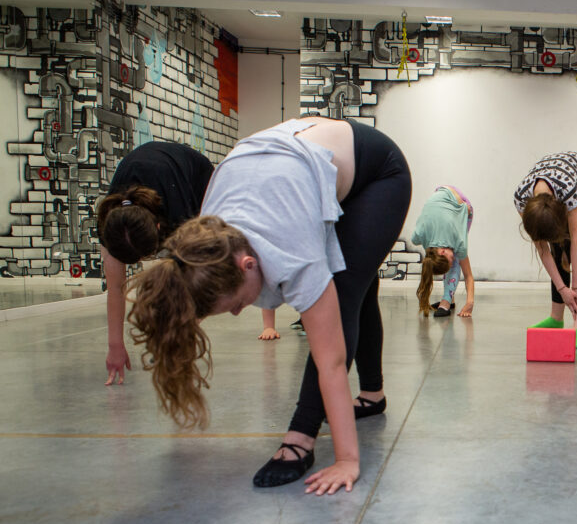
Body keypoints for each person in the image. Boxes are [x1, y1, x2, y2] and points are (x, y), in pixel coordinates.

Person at [126, 117, 411, 495]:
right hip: (290, 163)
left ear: (248, 264)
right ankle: (372, 396)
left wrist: (346, 461)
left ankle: (301, 435)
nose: (237, 312)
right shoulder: (205, 235)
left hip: (379, 172)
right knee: (359, 281)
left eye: (236, 304)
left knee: (345, 294)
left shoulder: (292, 249)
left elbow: (331, 361)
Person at [97, 142, 279, 388]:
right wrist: (114, 347)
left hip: (195, 175)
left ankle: (178, 338)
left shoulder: (178, 211)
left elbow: (193, 283)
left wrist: (175, 337)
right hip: (152, 176)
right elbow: (115, 288)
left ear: (160, 229)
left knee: (189, 278)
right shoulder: (112, 223)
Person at [514, 152, 577, 348]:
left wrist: (576, 286)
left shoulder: (568, 191)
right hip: (559, 182)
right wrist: (562, 289)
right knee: (557, 252)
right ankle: (556, 319)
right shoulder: (521, 199)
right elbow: (542, 248)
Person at [411, 186, 475, 318]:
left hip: (462, 204)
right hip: (439, 191)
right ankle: (449, 299)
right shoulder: (422, 235)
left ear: (442, 252)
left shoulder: (458, 240)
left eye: (448, 262)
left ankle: (446, 300)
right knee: (432, 248)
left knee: (457, 256)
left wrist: (470, 303)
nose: (451, 262)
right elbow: (415, 238)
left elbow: (468, 275)